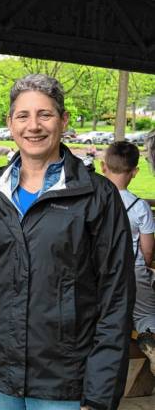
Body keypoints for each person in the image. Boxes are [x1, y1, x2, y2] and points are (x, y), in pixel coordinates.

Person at [0, 74, 135, 410]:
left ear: (64, 120)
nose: (33, 126)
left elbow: (117, 297)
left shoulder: (98, 196)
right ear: (10, 123)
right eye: (23, 116)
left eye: (45, 115)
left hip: (64, 381)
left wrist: (101, 391)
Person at [102, 141, 155, 374]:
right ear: (135, 171)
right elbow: (148, 250)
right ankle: (150, 337)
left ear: (103, 167)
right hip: (133, 270)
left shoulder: (94, 201)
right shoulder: (140, 207)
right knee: (145, 313)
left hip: (100, 272)